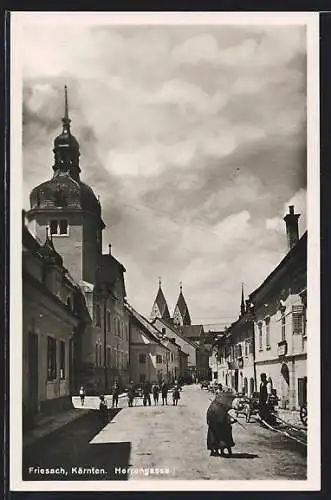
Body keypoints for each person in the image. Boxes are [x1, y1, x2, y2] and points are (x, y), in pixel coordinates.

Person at [206, 392, 237, 457]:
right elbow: (223, 419)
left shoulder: (213, 406)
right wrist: (232, 421)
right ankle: (221, 451)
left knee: (213, 437)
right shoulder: (220, 409)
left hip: (211, 424)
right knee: (221, 436)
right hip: (217, 425)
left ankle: (214, 451)